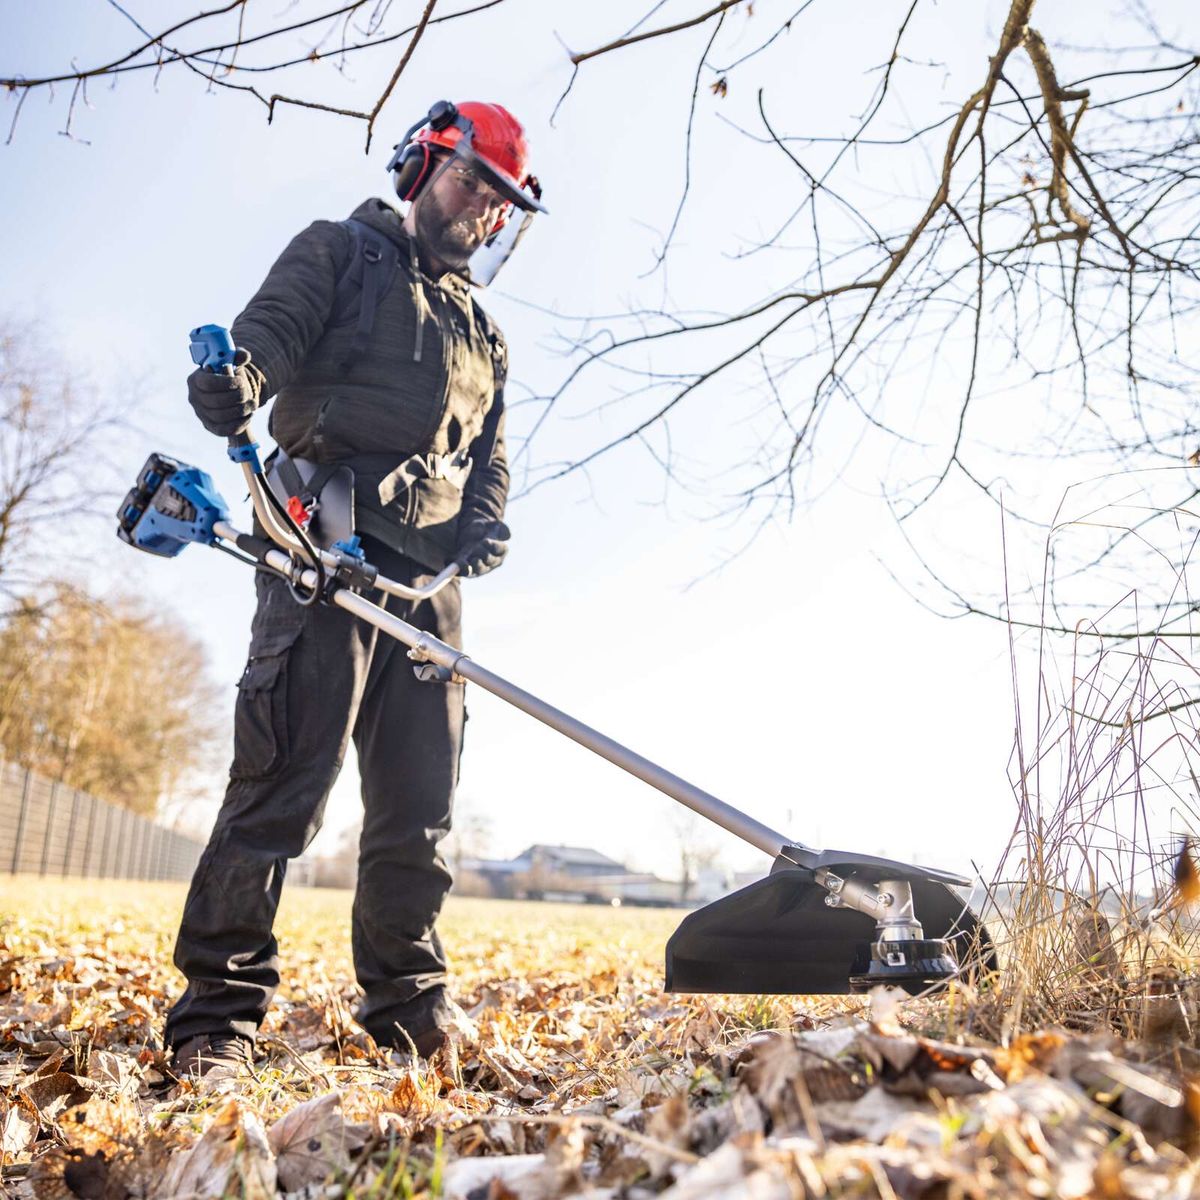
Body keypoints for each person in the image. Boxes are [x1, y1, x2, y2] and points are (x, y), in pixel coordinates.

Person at [163, 100, 546, 1077]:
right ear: (422, 167)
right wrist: (237, 385)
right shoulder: (341, 251)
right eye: (469, 184)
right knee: (281, 792)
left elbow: (488, 460)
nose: (478, 212)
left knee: (418, 816)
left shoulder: (484, 336)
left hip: (427, 591)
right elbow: (267, 344)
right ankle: (218, 1019)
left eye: (497, 204)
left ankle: (412, 1013)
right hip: (321, 548)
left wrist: (487, 522)